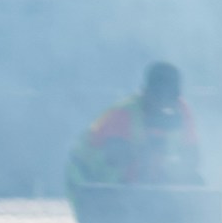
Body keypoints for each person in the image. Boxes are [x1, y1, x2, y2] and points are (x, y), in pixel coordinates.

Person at [66, 61, 202, 195]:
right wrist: (146, 148)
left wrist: (175, 171)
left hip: (132, 187)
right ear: (146, 92)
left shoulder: (182, 112)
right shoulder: (124, 113)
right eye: (158, 96)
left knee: (194, 182)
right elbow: (115, 158)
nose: (163, 103)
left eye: (170, 98)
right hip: (87, 183)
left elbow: (192, 156)